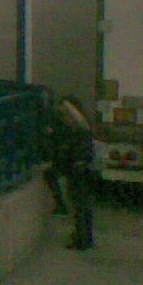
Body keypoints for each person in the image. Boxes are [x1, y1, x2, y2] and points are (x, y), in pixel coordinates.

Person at [51, 98, 96, 250]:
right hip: (84, 170)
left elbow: (67, 152)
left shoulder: (74, 131)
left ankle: (81, 239)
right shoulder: (83, 128)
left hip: (77, 172)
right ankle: (85, 237)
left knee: (78, 207)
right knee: (84, 207)